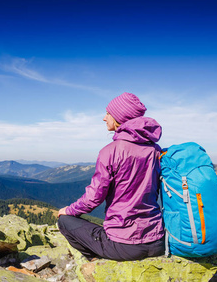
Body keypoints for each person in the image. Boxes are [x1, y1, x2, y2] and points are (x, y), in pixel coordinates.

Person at [57, 92, 165, 261]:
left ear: (119, 117)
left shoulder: (110, 151)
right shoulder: (155, 150)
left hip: (124, 245)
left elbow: (93, 199)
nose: (104, 118)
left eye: (108, 113)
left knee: (64, 221)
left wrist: (68, 211)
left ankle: (95, 264)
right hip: (157, 240)